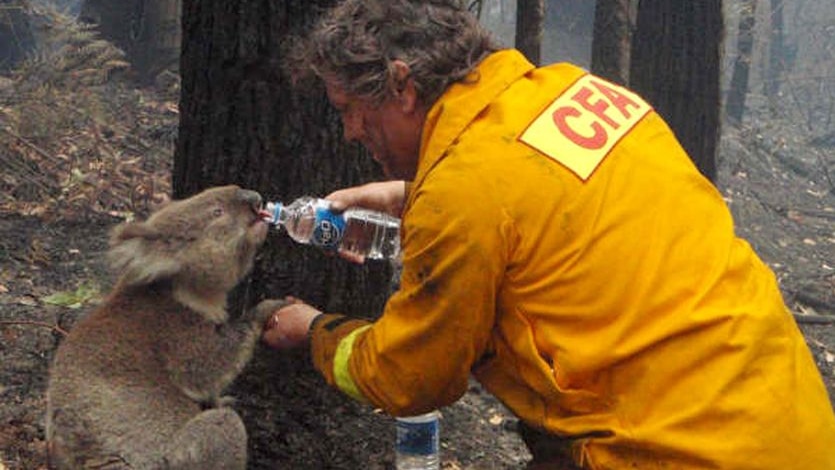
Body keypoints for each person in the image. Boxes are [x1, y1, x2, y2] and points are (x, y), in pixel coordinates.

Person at [262, 0, 835, 468]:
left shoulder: (465, 194)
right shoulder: (573, 92)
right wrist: (406, 197)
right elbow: (540, 204)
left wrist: (314, 331)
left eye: (349, 109)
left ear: (402, 87)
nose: (347, 132)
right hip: (789, 418)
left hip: (676, 451)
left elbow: (411, 376)